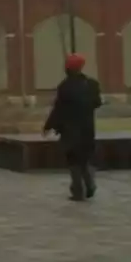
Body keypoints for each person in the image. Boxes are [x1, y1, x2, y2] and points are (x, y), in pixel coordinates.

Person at [42, 53, 103, 201]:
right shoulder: (92, 84)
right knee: (85, 158)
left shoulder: (65, 87)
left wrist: (48, 126)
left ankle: (78, 191)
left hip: (70, 130)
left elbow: (58, 109)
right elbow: (97, 103)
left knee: (73, 161)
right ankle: (90, 184)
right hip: (88, 129)